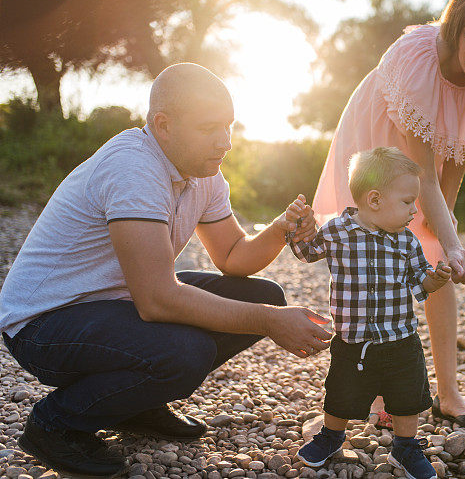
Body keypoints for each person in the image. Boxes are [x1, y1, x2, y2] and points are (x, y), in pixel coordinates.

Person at [0, 63, 332, 477]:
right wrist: (270, 323)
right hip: (43, 325)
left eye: (228, 126)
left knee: (263, 296)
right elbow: (157, 300)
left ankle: (132, 403)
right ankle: (55, 424)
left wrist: (280, 230)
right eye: (210, 128)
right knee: (185, 352)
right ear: (163, 125)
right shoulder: (133, 168)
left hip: (113, 300)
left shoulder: (201, 170)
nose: (225, 142)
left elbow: (231, 254)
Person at [312, 0, 465, 433]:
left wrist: (446, 238)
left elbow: (452, 166)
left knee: (436, 256)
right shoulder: (418, 61)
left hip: (422, 165)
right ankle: (378, 392)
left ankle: (449, 393)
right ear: (455, 26)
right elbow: (422, 172)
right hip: (377, 138)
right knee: (376, 251)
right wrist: (452, 240)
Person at [285, 147, 452, 479]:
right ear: (375, 200)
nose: (415, 210)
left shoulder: (407, 242)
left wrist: (435, 279)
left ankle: (405, 447)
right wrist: (299, 226)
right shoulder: (337, 231)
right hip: (353, 341)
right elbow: (306, 252)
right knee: (342, 392)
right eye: (407, 202)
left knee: (407, 398)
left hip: (401, 340)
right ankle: (331, 436)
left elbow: (420, 280)